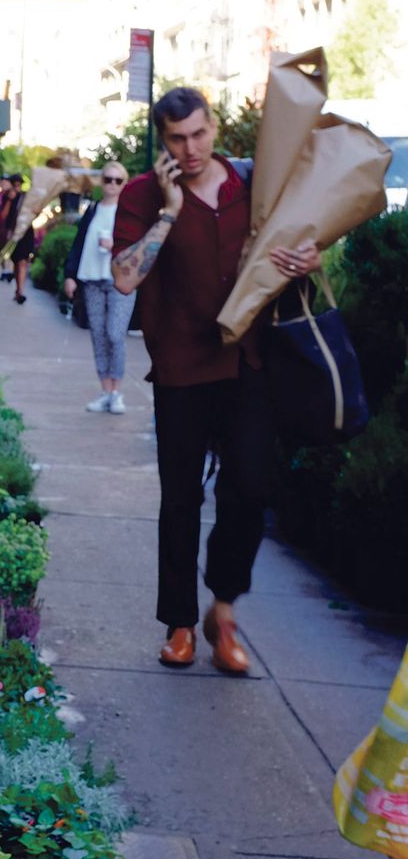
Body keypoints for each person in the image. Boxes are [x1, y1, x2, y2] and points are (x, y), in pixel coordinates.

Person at [111, 86, 320, 676]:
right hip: (180, 367)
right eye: (177, 138)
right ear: (162, 142)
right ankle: (179, 624)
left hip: (249, 361)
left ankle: (221, 611)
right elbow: (125, 278)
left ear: (214, 127)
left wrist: (309, 259)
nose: (191, 147)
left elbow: (305, 245)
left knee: (251, 489)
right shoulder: (142, 195)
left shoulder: (251, 184)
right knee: (180, 497)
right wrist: (171, 210)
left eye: (199, 134)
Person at [63, 165, 132, 412]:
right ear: (101, 182)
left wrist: (115, 245)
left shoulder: (129, 213)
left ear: (125, 183)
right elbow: (78, 244)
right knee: (99, 337)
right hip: (92, 278)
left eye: (118, 180)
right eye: (108, 179)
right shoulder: (92, 210)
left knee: (115, 333)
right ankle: (106, 391)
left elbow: (139, 247)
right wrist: (70, 275)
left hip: (119, 281)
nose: (112, 184)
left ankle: (117, 392)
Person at [0, 172, 35, 302]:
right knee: (17, 261)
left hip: (25, 232)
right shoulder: (6, 198)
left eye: (19, 184)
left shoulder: (26, 197)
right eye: (15, 184)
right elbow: (3, 216)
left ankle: (20, 291)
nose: (17, 187)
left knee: (22, 261)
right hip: (13, 232)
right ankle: (18, 289)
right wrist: (10, 200)